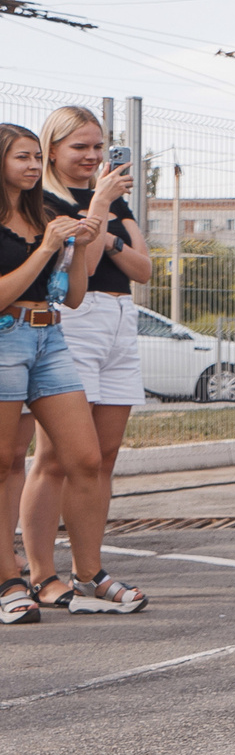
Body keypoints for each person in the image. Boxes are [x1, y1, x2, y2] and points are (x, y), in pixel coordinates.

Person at [22, 107, 149, 595]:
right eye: (79, 147)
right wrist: (100, 209)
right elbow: (86, 267)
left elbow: (143, 269)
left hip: (121, 319)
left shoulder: (113, 198)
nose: (92, 156)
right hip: (74, 319)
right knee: (57, 458)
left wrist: (108, 225)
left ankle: (88, 569)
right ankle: (41, 573)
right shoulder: (47, 203)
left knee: (104, 456)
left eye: (98, 147)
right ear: (52, 149)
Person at [0, 123, 123, 624]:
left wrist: (77, 250)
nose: (31, 166)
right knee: (5, 461)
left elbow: (72, 297)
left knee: (86, 457)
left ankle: (88, 577)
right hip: (5, 337)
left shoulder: (47, 214)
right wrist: (49, 248)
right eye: (20, 158)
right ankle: (10, 579)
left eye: (35, 157)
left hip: (51, 337)